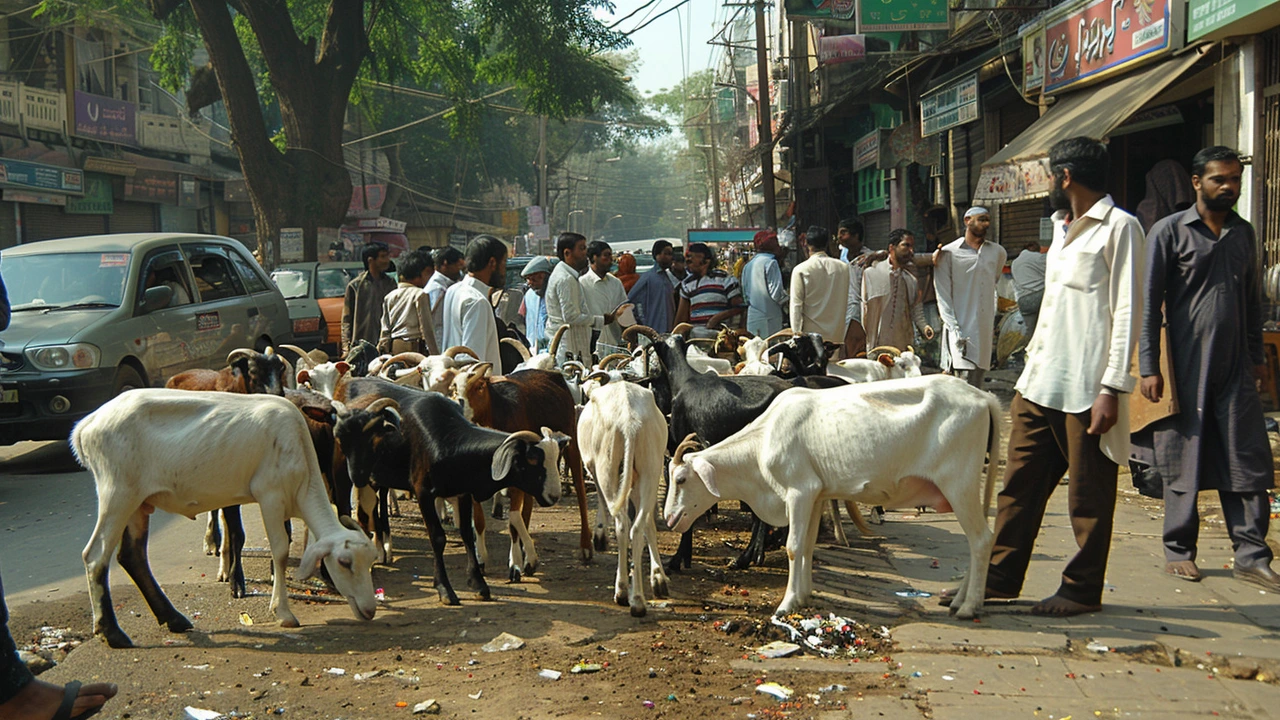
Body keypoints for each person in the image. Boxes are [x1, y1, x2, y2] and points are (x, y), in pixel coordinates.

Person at [976, 136, 1144, 617]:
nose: (1050, 184)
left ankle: (1081, 589)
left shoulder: (1119, 228)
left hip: (1087, 388)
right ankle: (999, 579)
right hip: (1037, 381)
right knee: (1018, 487)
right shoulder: (1062, 228)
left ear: (1065, 177)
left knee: (1087, 496)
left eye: (1052, 174)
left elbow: (1129, 310)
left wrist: (1113, 387)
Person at [1138, 146, 1279, 590]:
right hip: (1184, 368)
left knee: (1248, 457)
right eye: (1220, 179)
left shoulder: (1244, 233)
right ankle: (1179, 550)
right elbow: (1148, 304)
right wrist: (1148, 365)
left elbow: (1254, 301)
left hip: (1235, 367)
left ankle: (1251, 554)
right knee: (1183, 458)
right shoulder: (1168, 231)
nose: (1229, 187)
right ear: (1197, 182)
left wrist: (1257, 359)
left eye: (1235, 179)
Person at [935, 207, 1007, 388]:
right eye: (981, 219)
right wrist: (954, 328)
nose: (986, 224)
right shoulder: (949, 253)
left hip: (983, 329)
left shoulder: (997, 252)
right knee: (962, 384)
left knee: (978, 384)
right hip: (960, 329)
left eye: (988, 220)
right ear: (967, 221)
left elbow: (993, 282)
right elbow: (943, 295)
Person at [546, 232, 627, 365]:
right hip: (569, 350)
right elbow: (571, 316)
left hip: (576, 347)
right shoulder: (566, 279)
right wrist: (600, 320)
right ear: (567, 253)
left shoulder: (568, 276)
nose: (585, 253)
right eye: (582, 248)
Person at [861, 229, 934, 352]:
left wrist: (925, 327)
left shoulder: (910, 280)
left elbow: (916, 309)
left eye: (912, 247)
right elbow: (865, 309)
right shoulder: (872, 274)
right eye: (906, 245)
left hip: (902, 345)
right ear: (892, 247)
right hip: (877, 344)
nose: (911, 251)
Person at [442, 235, 507, 367]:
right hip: (474, 384)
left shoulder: (453, 290)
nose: (504, 271)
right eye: (504, 263)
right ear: (492, 263)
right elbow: (472, 362)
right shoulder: (476, 302)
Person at [790, 225, 850, 349]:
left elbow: (796, 306)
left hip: (811, 339)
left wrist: (796, 334)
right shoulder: (843, 268)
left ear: (806, 243)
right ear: (826, 243)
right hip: (836, 337)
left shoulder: (801, 270)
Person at [377, 247, 439, 356]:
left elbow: (385, 330)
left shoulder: (389, 296)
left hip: (395, 347)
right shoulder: (420, 294)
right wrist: (435, 355)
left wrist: (383, 351)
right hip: (414, 348)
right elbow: (426, 329)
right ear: (420, 273)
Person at [341, 242, 395, 355]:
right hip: (360, 348)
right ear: (371, 260)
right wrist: (346, 347)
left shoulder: (390, 284)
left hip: (385, 346)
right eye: (383, 256)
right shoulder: (355, 286)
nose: (387, 260)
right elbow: (346, 320)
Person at [674, 242, 744, 330]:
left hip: (722, 337)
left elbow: (740, 308)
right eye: (687, 258)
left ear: (706, 261)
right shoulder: (687, 284)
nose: (688, 261)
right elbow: (681, 319)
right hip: (697, 338)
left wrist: (717, 318)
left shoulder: (725, 280)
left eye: (692, 257)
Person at [580, 241, 630, 354]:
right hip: (592, 347)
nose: (610, 259)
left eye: (610, 255)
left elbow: (624, 311)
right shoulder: (582, 284)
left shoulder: (616, 283)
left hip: (616, 346)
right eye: (606, 255)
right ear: (594, 257)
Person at [740, 230, 788, 337]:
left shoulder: (748, 265)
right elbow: (776, 294)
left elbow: (745, 296)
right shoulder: (771, 263)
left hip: (753, 318)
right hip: (770, 319)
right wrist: (789, 302)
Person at [837, 218, 871, 357]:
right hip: (845, 309)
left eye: (843, 233)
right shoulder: (843, 257)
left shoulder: (869, 258)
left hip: (862, 310)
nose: (839, 237)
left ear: (856, 235)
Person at [628, 240, 676, 334]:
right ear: (657, 255)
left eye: (671, 254)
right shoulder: (648, 277)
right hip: (653, 330)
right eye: (667, 254)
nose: (670, 257)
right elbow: (632, 300)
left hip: (668, 331)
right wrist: (642, 322)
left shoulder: (669, 278)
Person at [426, 246, 465, 344]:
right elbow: (435, 323)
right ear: (445, 263)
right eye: (458, 265)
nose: (460, 270)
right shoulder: (437, 289)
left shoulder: (449, 285)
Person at [1010, 241, 1047, 337]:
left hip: (1023, 301)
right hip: (1038, 297)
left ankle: (1027, 348)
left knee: (1029, 331)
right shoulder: (1038, 257)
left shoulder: (1015, 262)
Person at [518, 256, 554, 352]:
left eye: (534, 279)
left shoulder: (553, 294)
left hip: (550, 349)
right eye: (528, 279)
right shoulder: (529, 295)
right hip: (532, 348)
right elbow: (522, 317)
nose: (530, 283)